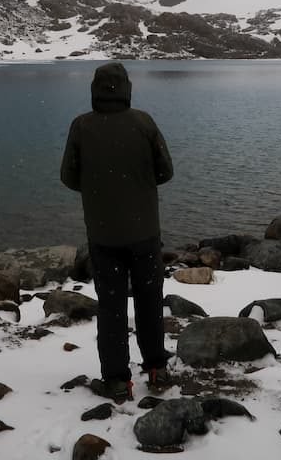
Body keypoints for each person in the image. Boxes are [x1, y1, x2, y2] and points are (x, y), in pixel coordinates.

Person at [60, 62, 174, 402]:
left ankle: (116, 380)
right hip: (145, 233)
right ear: (126, 88)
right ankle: (157, 368)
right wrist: (137, 185)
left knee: (111, 307)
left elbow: (68, 177)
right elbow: (165, 171)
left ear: (95, 89)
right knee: (149, 300)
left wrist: (99, 188)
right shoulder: (143, 122)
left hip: (104, 235)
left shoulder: (82, 126)